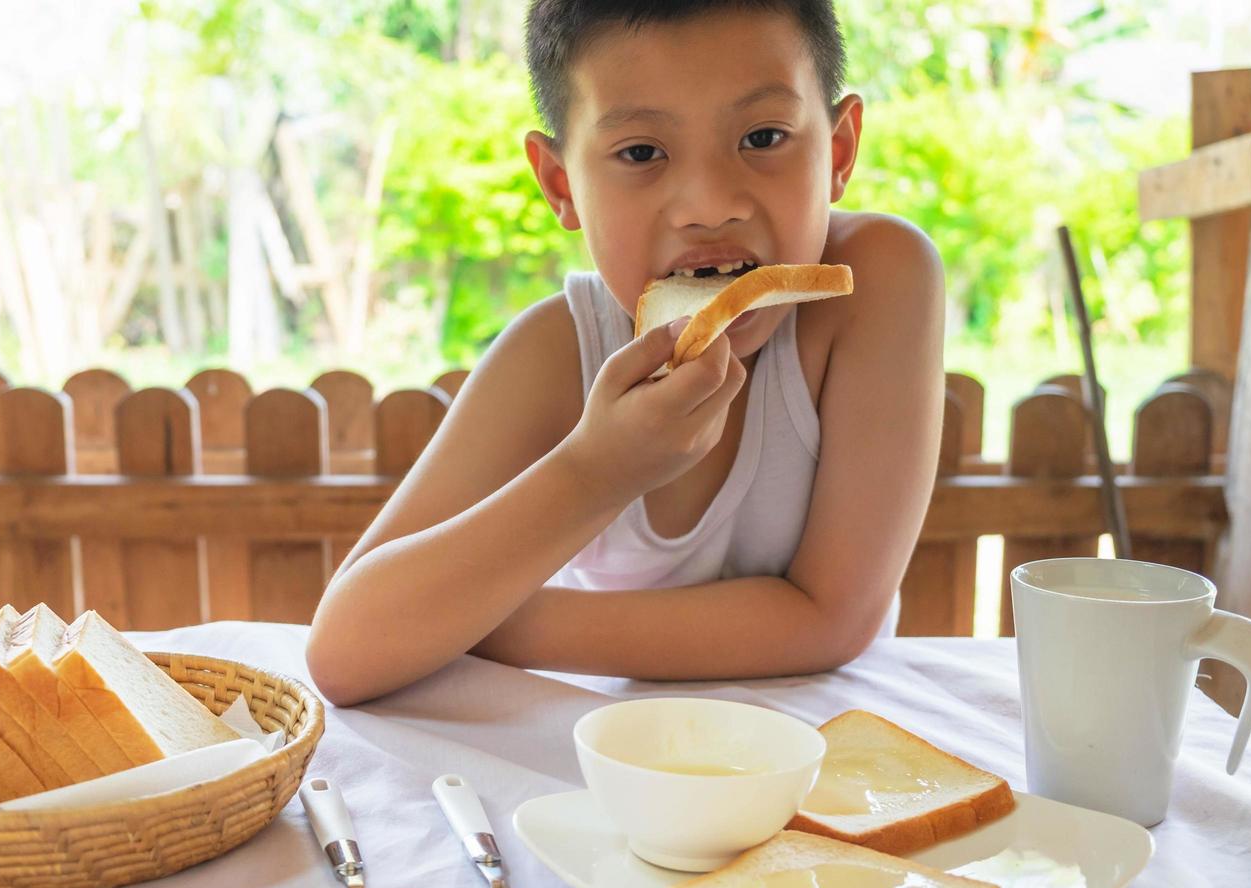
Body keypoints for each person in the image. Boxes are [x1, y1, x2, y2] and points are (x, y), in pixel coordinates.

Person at [305, 0, 945, 706]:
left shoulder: (880, 282)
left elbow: (832, 620)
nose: (708, 204)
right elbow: (346, 649)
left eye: (763, 137)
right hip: (616, 771)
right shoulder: (556, 355)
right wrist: (595, 471)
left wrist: (469, 624)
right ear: (560, 183)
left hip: (834, 758)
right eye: (641, 153)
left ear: (840, 151)